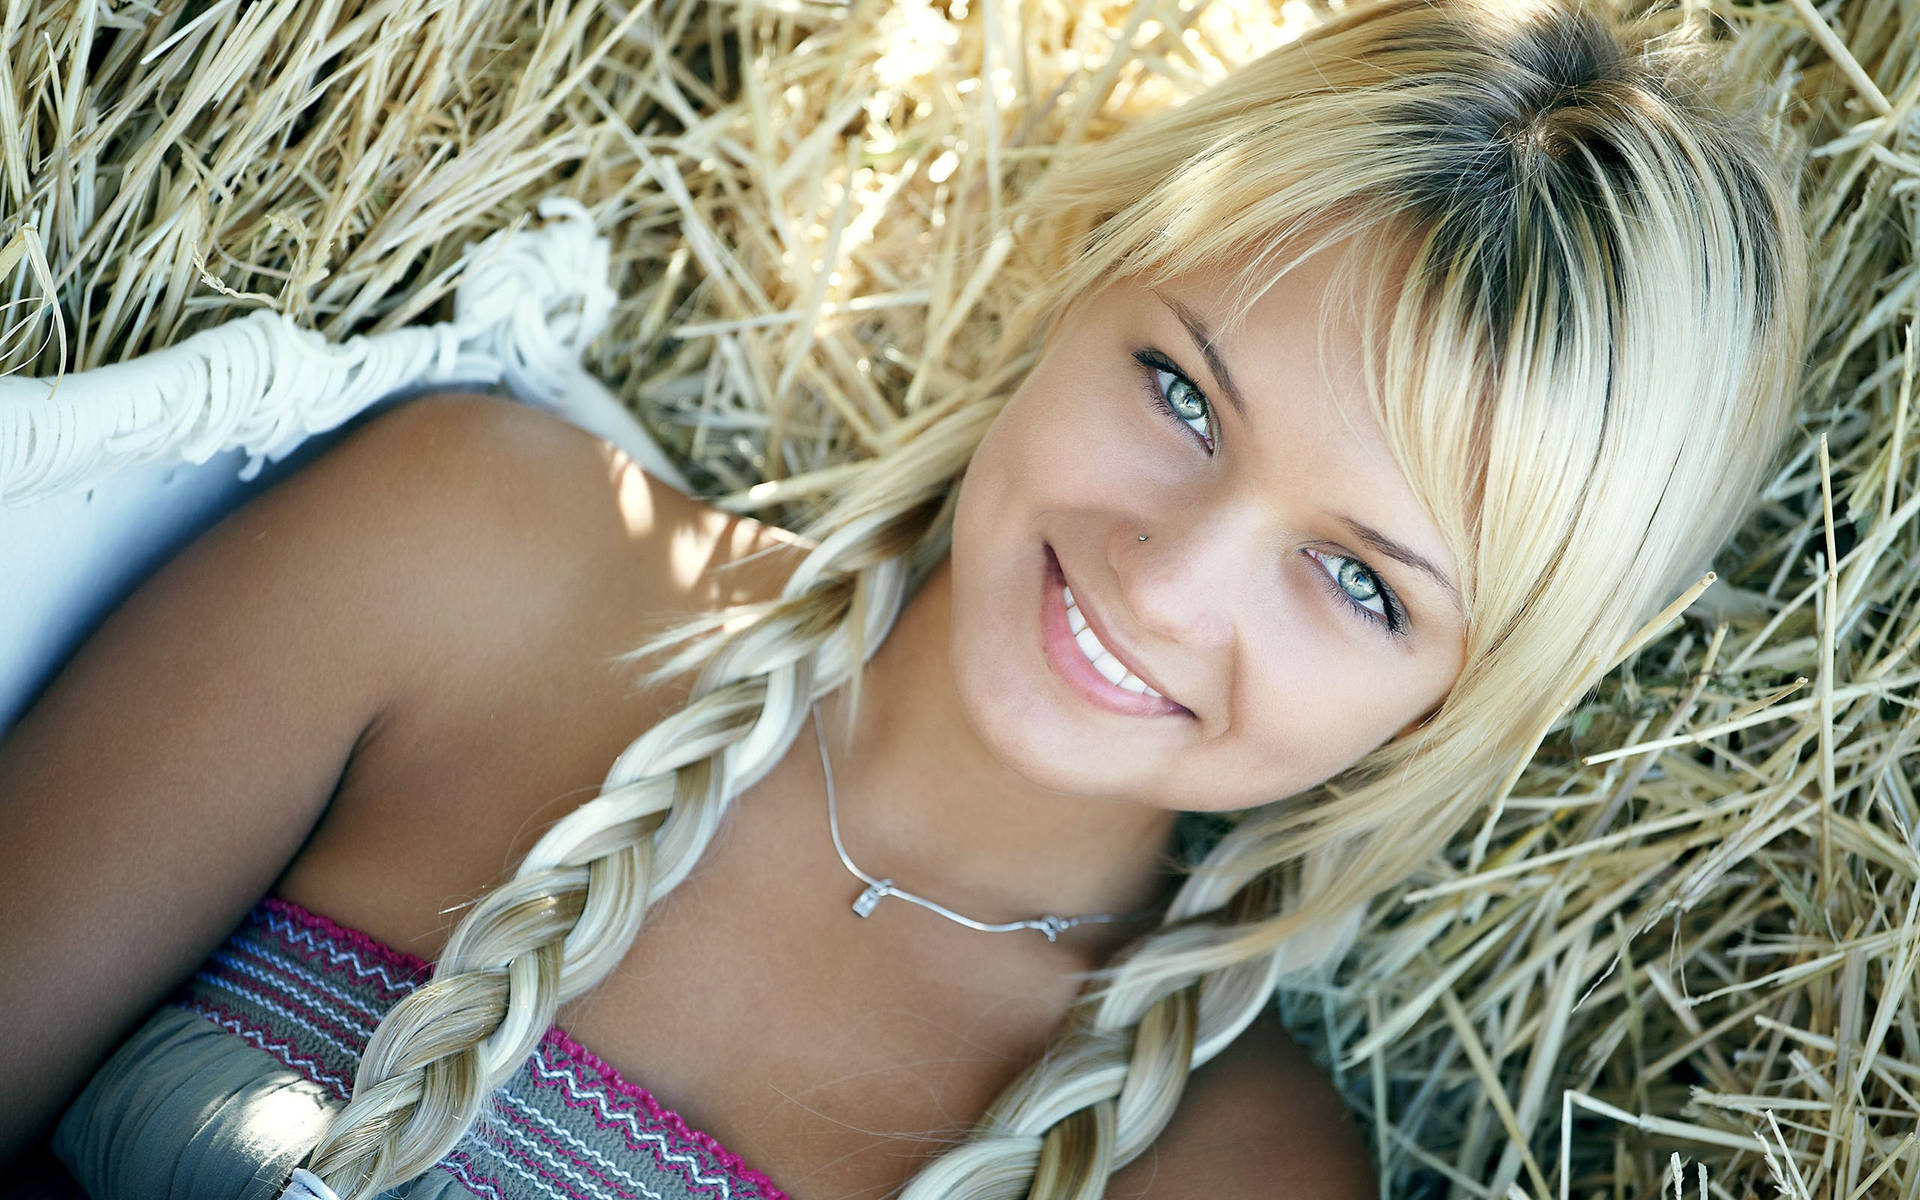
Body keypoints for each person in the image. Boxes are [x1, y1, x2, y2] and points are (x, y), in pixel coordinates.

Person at [0, 0, 1810, 1196]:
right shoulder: (475, 549)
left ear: (1469, 694)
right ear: (1072, 285)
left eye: (1357, 580)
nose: (1168, 578)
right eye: (1181, 392)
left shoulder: (1220, 1173)